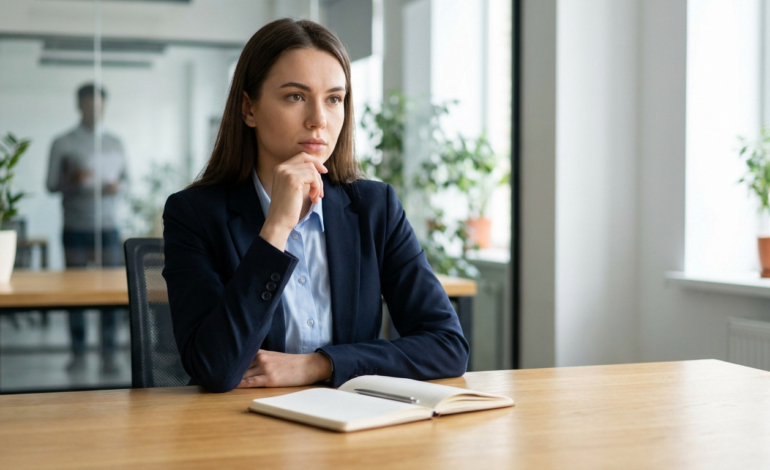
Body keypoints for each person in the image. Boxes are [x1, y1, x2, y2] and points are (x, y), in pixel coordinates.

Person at [162, 18, 468, 393]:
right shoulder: (194, 214)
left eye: (334, 99)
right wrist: (275, 230)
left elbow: (447, 346)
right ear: (248, 108)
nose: (318, 120)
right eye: (295, 96)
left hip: (349, 425)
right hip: (240, 431)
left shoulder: (375, 208)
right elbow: (214, 367)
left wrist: (320, 364)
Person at [47, 83, 128, 374]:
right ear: (79, 106)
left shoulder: (115, 142)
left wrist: (117, 186)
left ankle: (109, 350)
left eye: (100, 105)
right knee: (75, 292)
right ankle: (78, 349)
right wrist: (74, 179)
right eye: (90, 105)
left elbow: (127, 181)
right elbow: (51, 185)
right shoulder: (63, 142)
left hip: (107, 226)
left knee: (110, 291)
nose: (96, 110)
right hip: (76, 225)